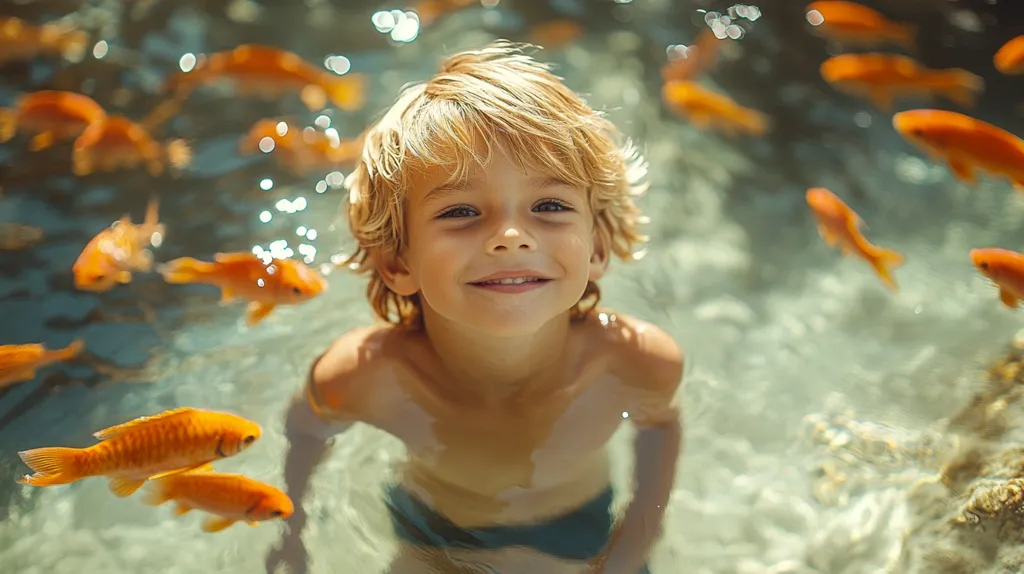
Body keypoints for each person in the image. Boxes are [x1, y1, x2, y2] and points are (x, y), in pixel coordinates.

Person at [265, 40, 684, 574]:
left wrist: (636, 543)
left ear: (598, 246)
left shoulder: (635, 361)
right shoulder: (366, 375)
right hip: (434, 535)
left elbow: (660, 428)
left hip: (581, 529)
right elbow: (305, 429)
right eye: (461, 211)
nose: (511, 237)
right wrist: (292, 529)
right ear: (398, 260)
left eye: (550, 206)